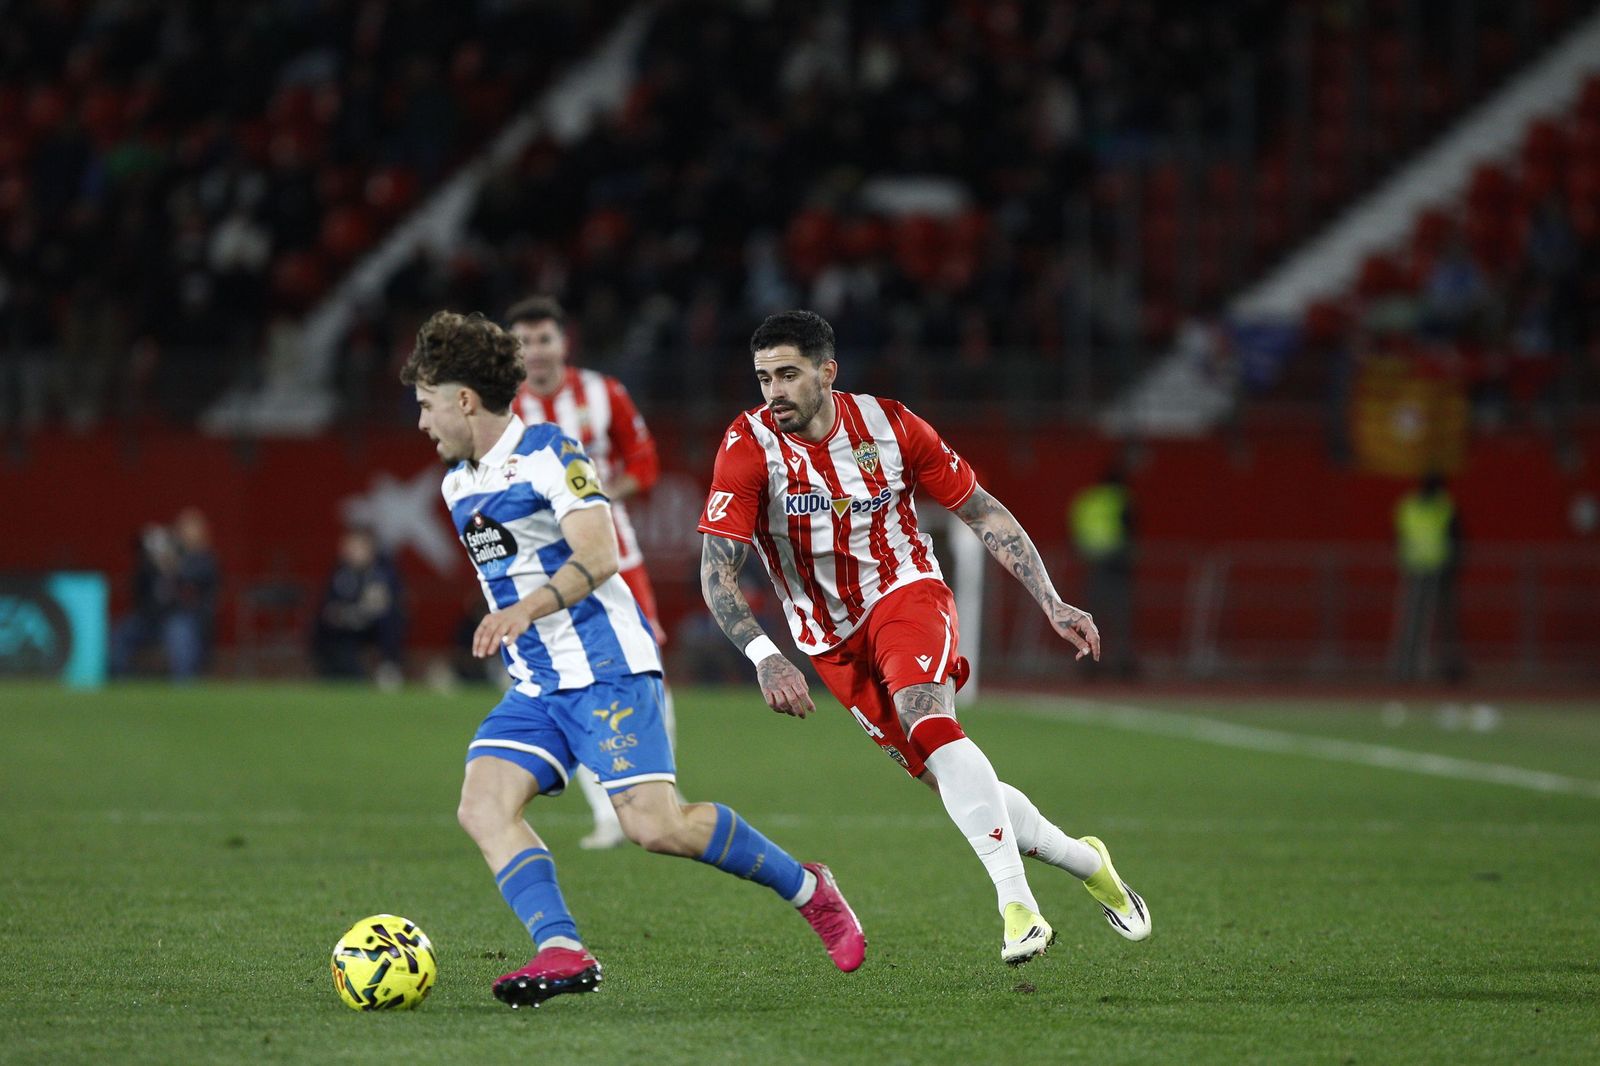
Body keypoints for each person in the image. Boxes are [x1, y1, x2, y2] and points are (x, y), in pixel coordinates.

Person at [400, 310, 864, 1009]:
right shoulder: (458, 484)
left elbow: (599, 554)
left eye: (428, 405)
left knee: (654, 826)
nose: (423, 423)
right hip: (538, 683)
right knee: (483, 805)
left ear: (464, 400)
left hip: (608, 669)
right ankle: (560, 947)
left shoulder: (553, 455)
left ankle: (808, 888)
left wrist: (525, 610)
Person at [698, 310, 1151, 967]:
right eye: (764, 377)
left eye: (789, 375)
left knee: (925, 718)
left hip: (906, 592)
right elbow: (717, 571)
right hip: (827, 638)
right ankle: (1089, 862)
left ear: (827, 373)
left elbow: (980, 509)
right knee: (949, 777)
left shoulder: (891, 426)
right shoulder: (747, 446)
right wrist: (766, 656)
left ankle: (1016, 906)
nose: (774, 391)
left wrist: (1049, 599)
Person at [507, 295, 668, 851]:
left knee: (646, 667)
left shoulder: (605, 393)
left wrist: (597, 496)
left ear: (563, 342)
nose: (535, 352)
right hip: (541, 569)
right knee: (562, 677)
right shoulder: (502, 410)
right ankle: (607, 812)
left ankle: (656, 792)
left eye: (544, 339)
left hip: (617, 557)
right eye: (523, 342)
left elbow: (645, 464)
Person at [110, 507, 218, 681]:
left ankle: (184, 685)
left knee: (181, 635)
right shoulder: (164, 554)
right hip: (150, 618)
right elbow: (139, 578)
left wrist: (168, 560)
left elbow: (192, 578)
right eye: (182, 528)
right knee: (120, 635)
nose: (185, 533)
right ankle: (121, 682)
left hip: (182, 618)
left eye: (190, 529)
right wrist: (152, 548)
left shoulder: (203, 559)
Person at [310, 526, 406, 688]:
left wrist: (364, 612)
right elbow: (329, 606)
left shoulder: (383, 571)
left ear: (369, 548)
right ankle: (327, 666)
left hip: (374, 627)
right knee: (320, 624)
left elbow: (388, 603)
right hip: (347, 627)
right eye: (348, 547)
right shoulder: (340, 572)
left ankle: (388, 666)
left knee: (391, 618)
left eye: (356, 547)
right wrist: (344, 614)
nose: (350, 551)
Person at [1392, 472, 1465, 682]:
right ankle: (1408, 669)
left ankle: (1443, 668)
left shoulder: (1412, 505)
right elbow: (1457, 536)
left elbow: (1397, 536)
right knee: (1420, 623)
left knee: (1431, 623)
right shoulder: (1439, 506)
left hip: (1432, 570)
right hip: (1426, 570)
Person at [1069, 463, 1136, 679]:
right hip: (1116, 564)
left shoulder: (1087, 499)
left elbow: (1074, 527)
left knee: (1091, 616)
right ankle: (1121, 665)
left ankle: (1089, 663)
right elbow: (1130, 527)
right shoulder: (1119, 498)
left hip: (1091, 563)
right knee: (1120, 618)